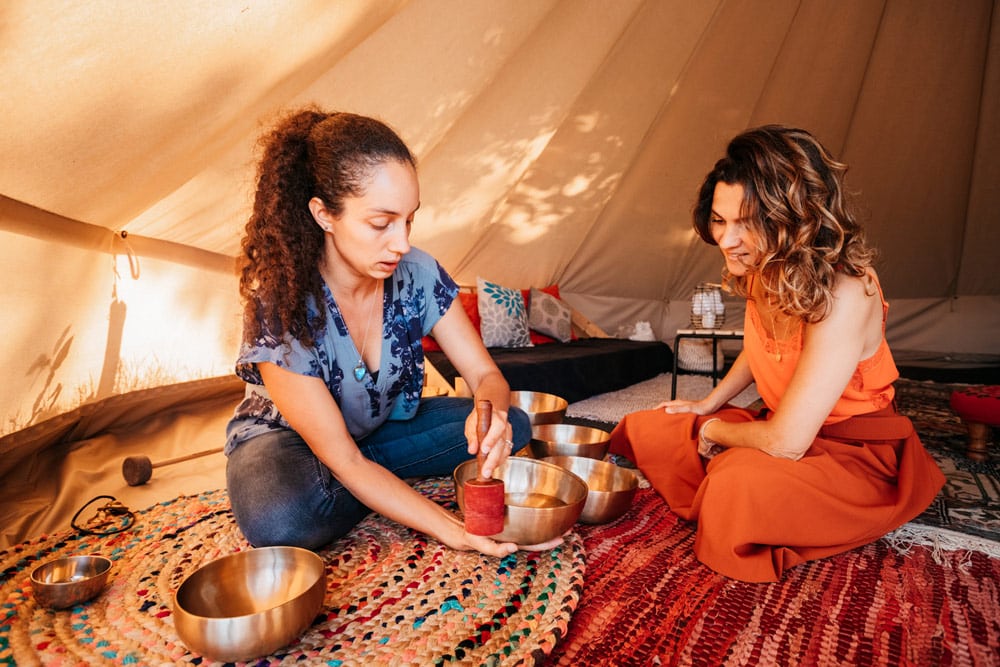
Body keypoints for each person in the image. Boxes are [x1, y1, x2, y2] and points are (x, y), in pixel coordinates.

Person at [609, 125, 945, 582]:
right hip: (784, 425)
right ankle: (728, 460)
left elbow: (787, 443)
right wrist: (708, 403)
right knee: (649, 426)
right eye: (720, 220)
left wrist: (715, 429)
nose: (727, 241)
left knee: (734, 490)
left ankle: (737, 475)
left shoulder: (847, 290)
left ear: (797, 217)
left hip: (852, 453)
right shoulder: (761, 266)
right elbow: (763, 343)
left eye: (748, 222)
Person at [224, 108, 559, 558]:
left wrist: (490, 417)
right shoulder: (281, 304)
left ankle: (369, 485)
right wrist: (451, 528)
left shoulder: (418, 273)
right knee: (281, 519)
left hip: (376, 436)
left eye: (409, 221)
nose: (401, 243)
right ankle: (375, 485)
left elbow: (486, 376)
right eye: (381, 224)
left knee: (515, 423)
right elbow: (341, 456)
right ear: (324, 214)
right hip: (286, 443)